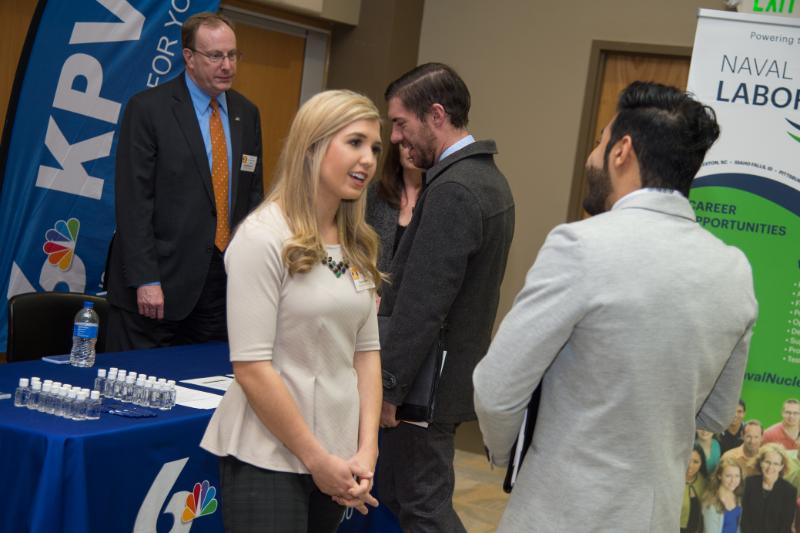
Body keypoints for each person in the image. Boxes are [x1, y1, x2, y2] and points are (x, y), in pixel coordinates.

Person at [473, 81, 758, 532]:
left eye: (600, 142)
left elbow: (495, 389)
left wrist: (515, 457)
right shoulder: (734, 269)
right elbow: (716, 413)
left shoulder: (580, 245)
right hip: (654, 515)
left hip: (560, 511)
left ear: (622, 150)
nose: (593, 156)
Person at [200, 90, 384, 531]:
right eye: (355, 142)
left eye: (375, 148)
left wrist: (367, 448)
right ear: (312, 147)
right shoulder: (263, 238)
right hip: (270, 454)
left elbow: (367, 353)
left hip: (337, 457)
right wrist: (316, 458)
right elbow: (252, 368)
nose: (369, 160)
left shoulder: (358, 243)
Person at [376, 62, 515, 532]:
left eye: (400, 123)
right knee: (398, 495)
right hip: (443, 379)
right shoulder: (486, 179)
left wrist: (388, 387)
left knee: (423, 507)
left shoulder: (455, 189)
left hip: (422, 389)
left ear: (436, 115)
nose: (395, 138)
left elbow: (423, 302)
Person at [106, 12, 263, 351]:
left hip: (219, 287)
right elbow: (134, 202)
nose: (227, 65)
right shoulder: (149, 109)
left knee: (205, 387)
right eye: (216, 56)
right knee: (138, 393)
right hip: (156, 286)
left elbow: (252, 198)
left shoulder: (246, 113)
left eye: (232, 55)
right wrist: (146, 279)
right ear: (189, 58)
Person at [366, 143, 423, 275]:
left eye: (414, 143)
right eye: (405, 144)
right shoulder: (375, 193)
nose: (411, 150)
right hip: (373, 288)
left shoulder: (437, 196)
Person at [741, 443, 797, 532]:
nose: (770, 467)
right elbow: (744, 519)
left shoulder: (789, 491)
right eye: (767, 462)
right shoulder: (748, 483)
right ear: (761, 462)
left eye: (776, 464)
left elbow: (785, 526)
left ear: (781, 467)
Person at [702, 457, 744, 533]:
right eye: (728, 476)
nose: (733, 480)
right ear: (719, 476)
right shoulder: (711, 502)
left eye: (737, 476)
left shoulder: (738, 497)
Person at [682, 445, 709, 533]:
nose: (690, 465)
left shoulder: (704, 481)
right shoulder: (673, 482)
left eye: (696, 462)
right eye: (687, 460)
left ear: (701, 463)